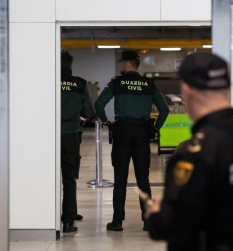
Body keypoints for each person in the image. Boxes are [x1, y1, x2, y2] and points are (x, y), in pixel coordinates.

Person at [146, 52, 233, 251]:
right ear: (227, 87)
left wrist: (157, 214)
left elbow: (172, 226)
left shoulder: (195, 153)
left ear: (186, 90)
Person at [94, 51, 169, 231]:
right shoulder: (149, 84)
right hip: (142, 132)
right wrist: (155, 128)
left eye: (121, 63)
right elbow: (164, 109)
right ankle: (148, 220)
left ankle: (117, 221)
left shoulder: (116, 83)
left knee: (120, 178)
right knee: (143, 178)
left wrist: (105, 121)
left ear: (128, 64)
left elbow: (98, 104)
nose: (119, 66)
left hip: (122, 132)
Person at [61, 49, 94, 233]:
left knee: (48, 177)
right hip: (71, 135)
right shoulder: (80, 83)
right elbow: (88, 111)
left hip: (50, 137)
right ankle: (68, 220)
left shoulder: (47, 80)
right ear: (71, 65)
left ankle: (45, 217)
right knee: (69, 177)